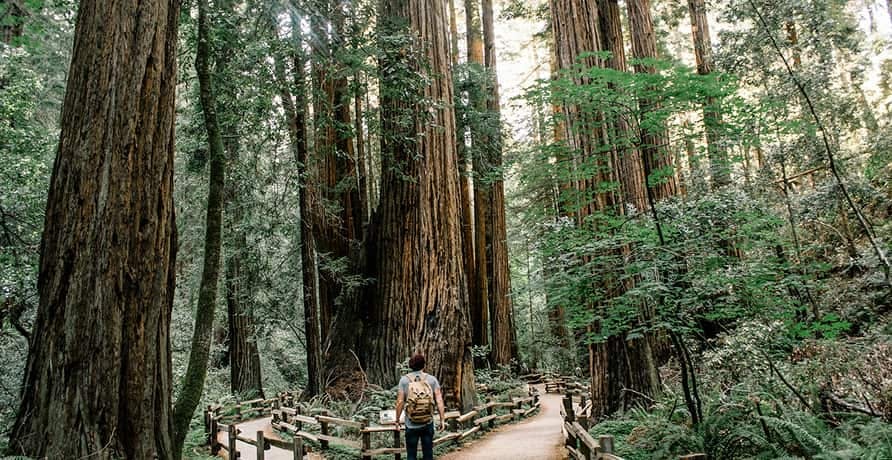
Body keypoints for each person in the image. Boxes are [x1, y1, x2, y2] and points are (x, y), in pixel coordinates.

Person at [395, 353, 446, 460]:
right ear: (424, 365)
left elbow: (400, 401)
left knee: (411, 454)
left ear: (410, 366)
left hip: (411, 423)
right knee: (428, 453)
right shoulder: (432, 380)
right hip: (427, 422)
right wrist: (442, 419)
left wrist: (397, 420)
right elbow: (439, 400)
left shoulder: (404, 380)